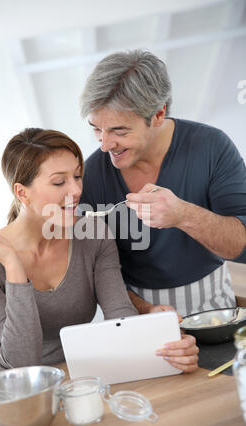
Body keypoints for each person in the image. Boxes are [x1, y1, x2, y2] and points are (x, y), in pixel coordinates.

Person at [0, 128, 198, 373]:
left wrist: (166, 346)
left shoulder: (92, 234)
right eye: (59, 181)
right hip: (12, 394)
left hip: (76, 377)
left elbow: (121, 318)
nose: (76, 191)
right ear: (22, 193)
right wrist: (12, 264)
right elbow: (22, 362)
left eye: (77, 176)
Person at [79, 49, 246, 318]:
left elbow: (243, 247)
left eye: (120, 131)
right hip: (138, 316)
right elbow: (95, 268)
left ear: (158, 115)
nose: (105, 145)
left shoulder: (213, 147)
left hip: (216, 308)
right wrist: (145, 310)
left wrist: (183, 215)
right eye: (97, 129)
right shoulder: (92, 175)